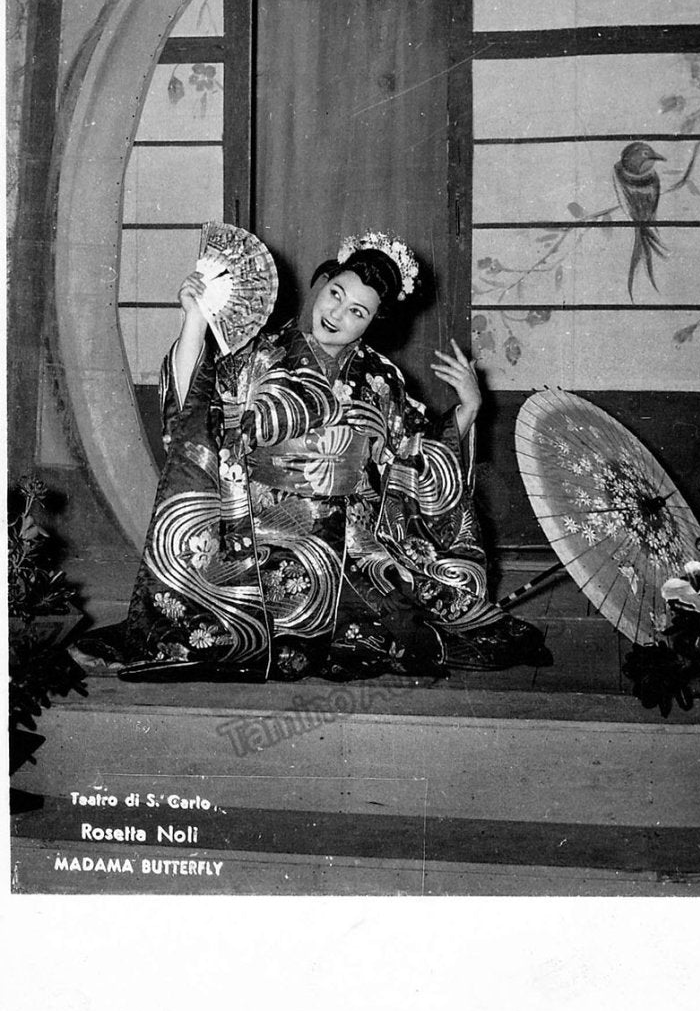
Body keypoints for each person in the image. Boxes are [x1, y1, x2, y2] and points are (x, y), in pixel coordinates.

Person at [73, 230, 551, 682]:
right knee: (221, 626)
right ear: (323, 283)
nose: (337, 313)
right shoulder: (259, 353)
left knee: (411, 616)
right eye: (336, 294)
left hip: (352, 538)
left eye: (358, 312)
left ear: (374, 322)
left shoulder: (381, 378)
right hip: (262, 526)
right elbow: (195, 411)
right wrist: (194, 319)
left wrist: (469, 408)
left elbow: (415, 454)